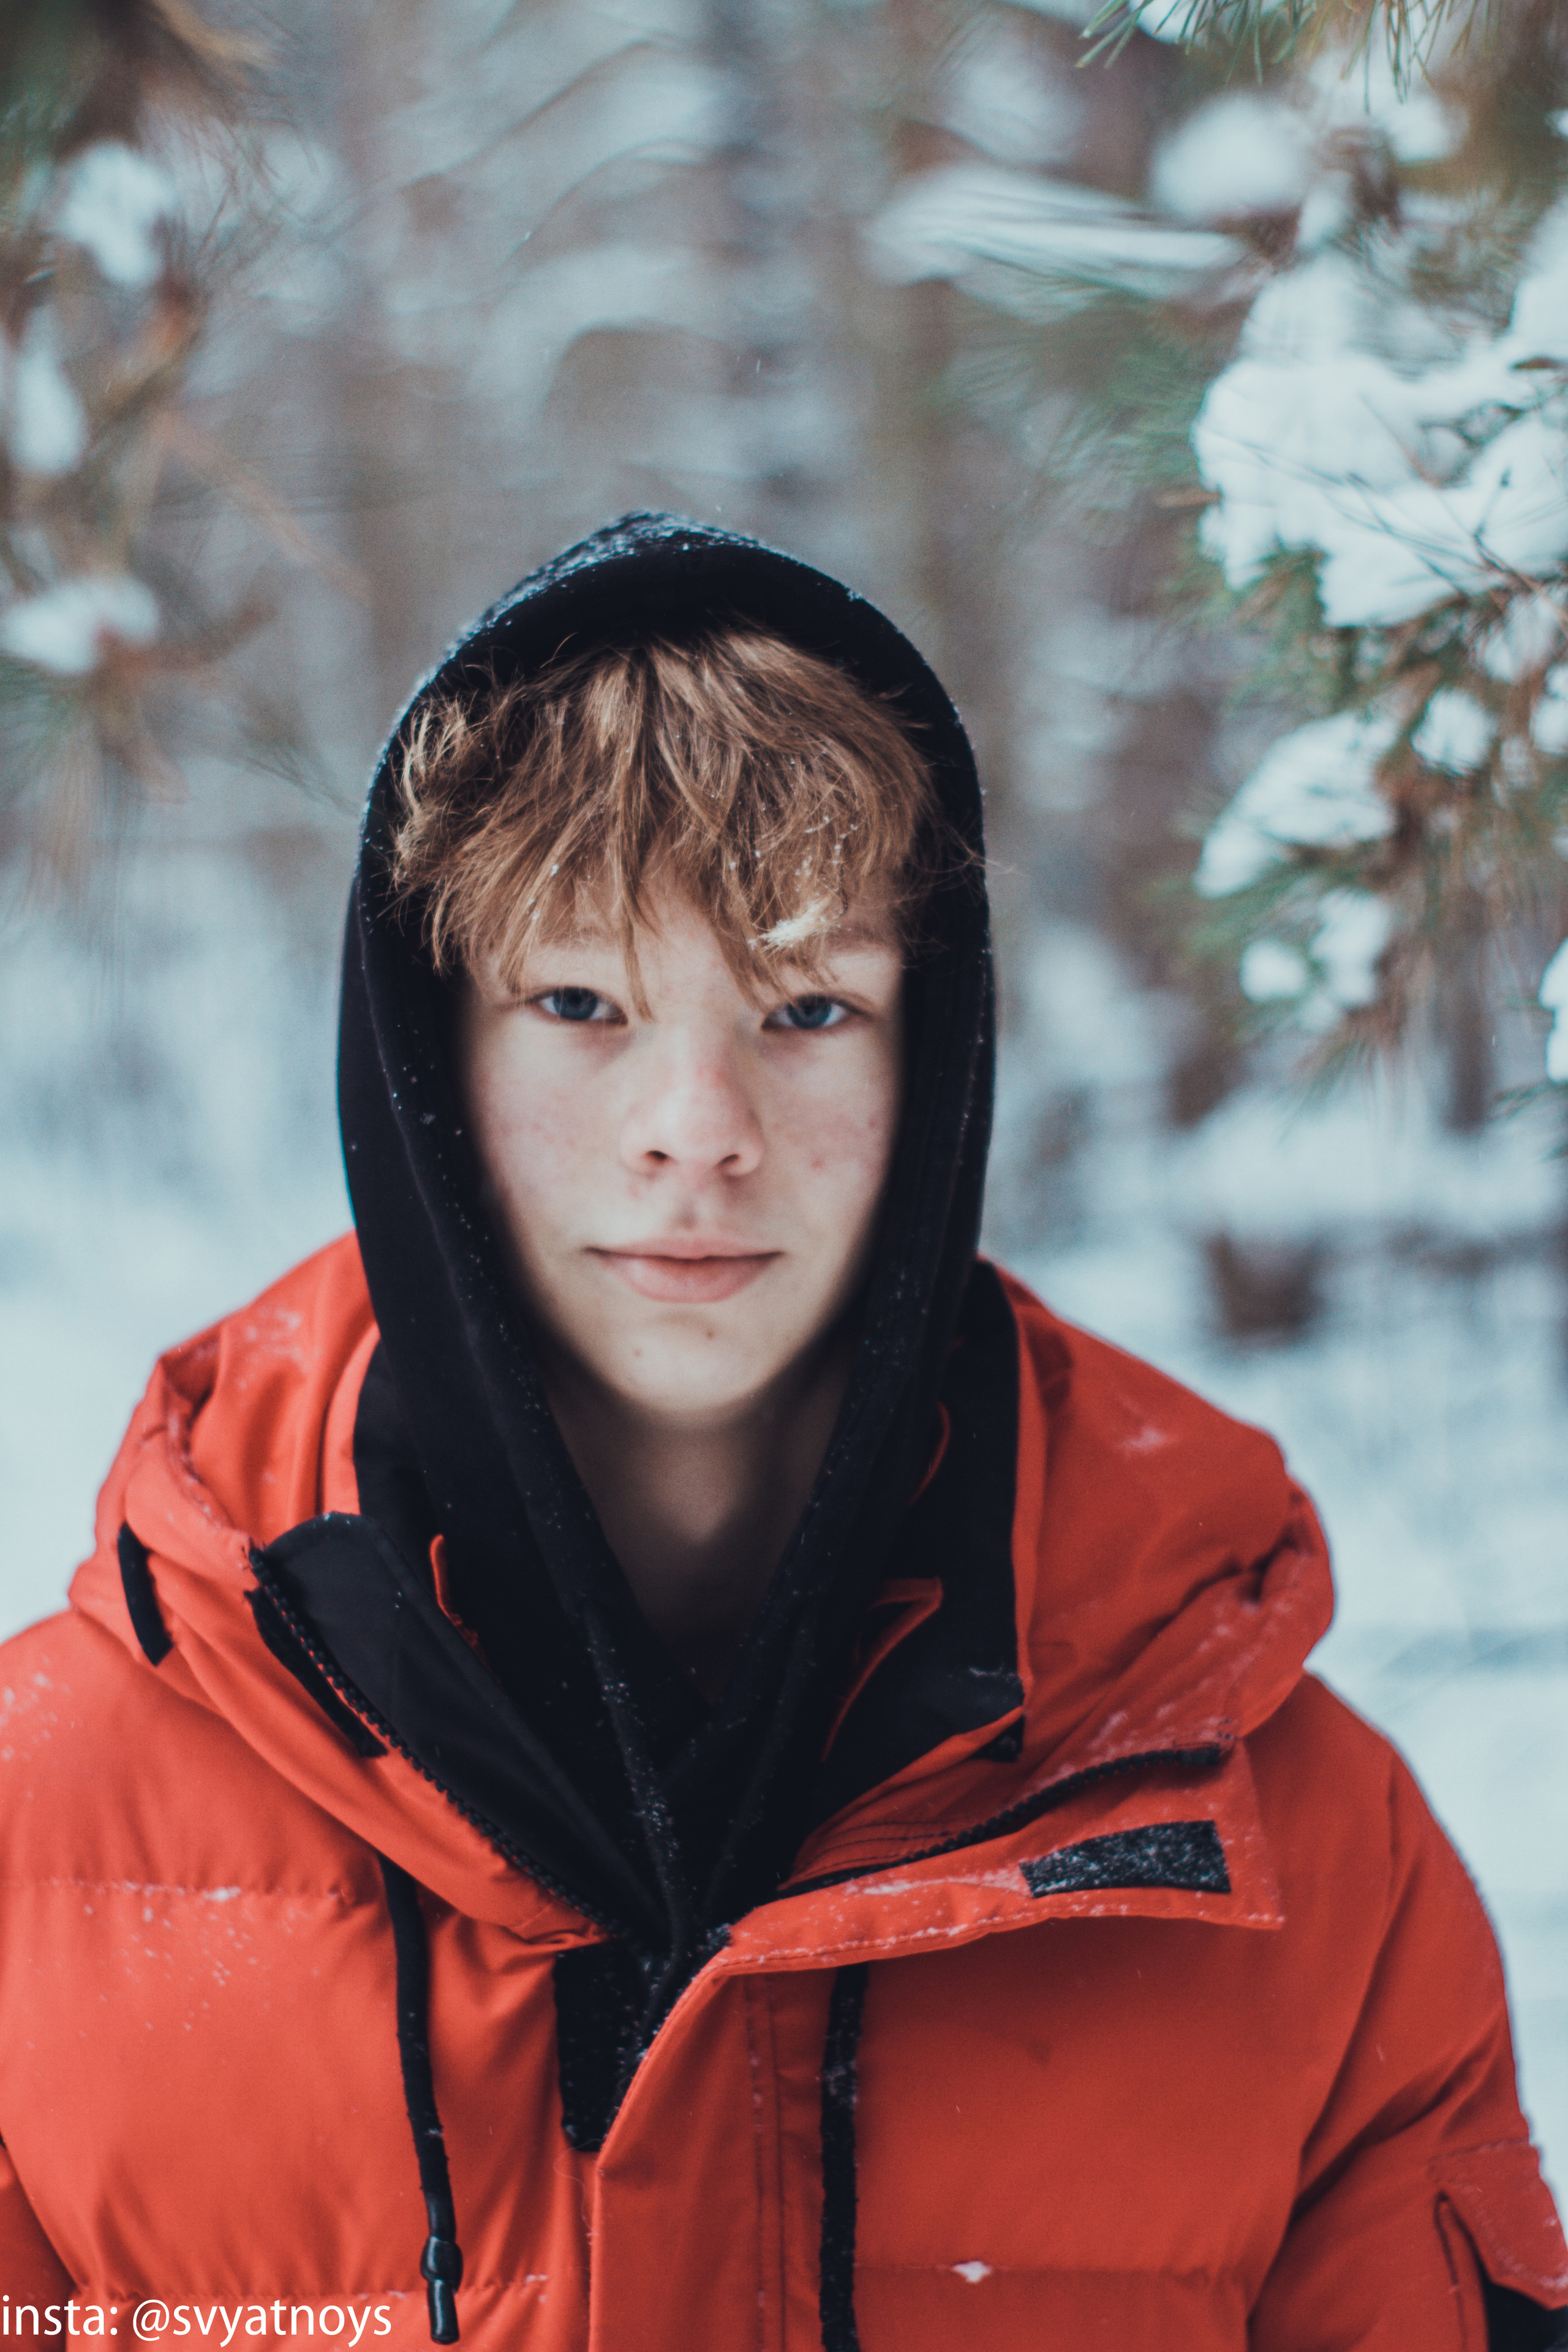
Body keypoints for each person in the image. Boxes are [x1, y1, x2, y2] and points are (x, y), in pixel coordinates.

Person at [0, 514, 1563, 2351]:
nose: (697, 1125)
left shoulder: (1295, 1854)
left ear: (938, 1058)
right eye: (579, 1001)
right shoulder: (44, 1830)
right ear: (431, 1057)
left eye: (806, 1005)